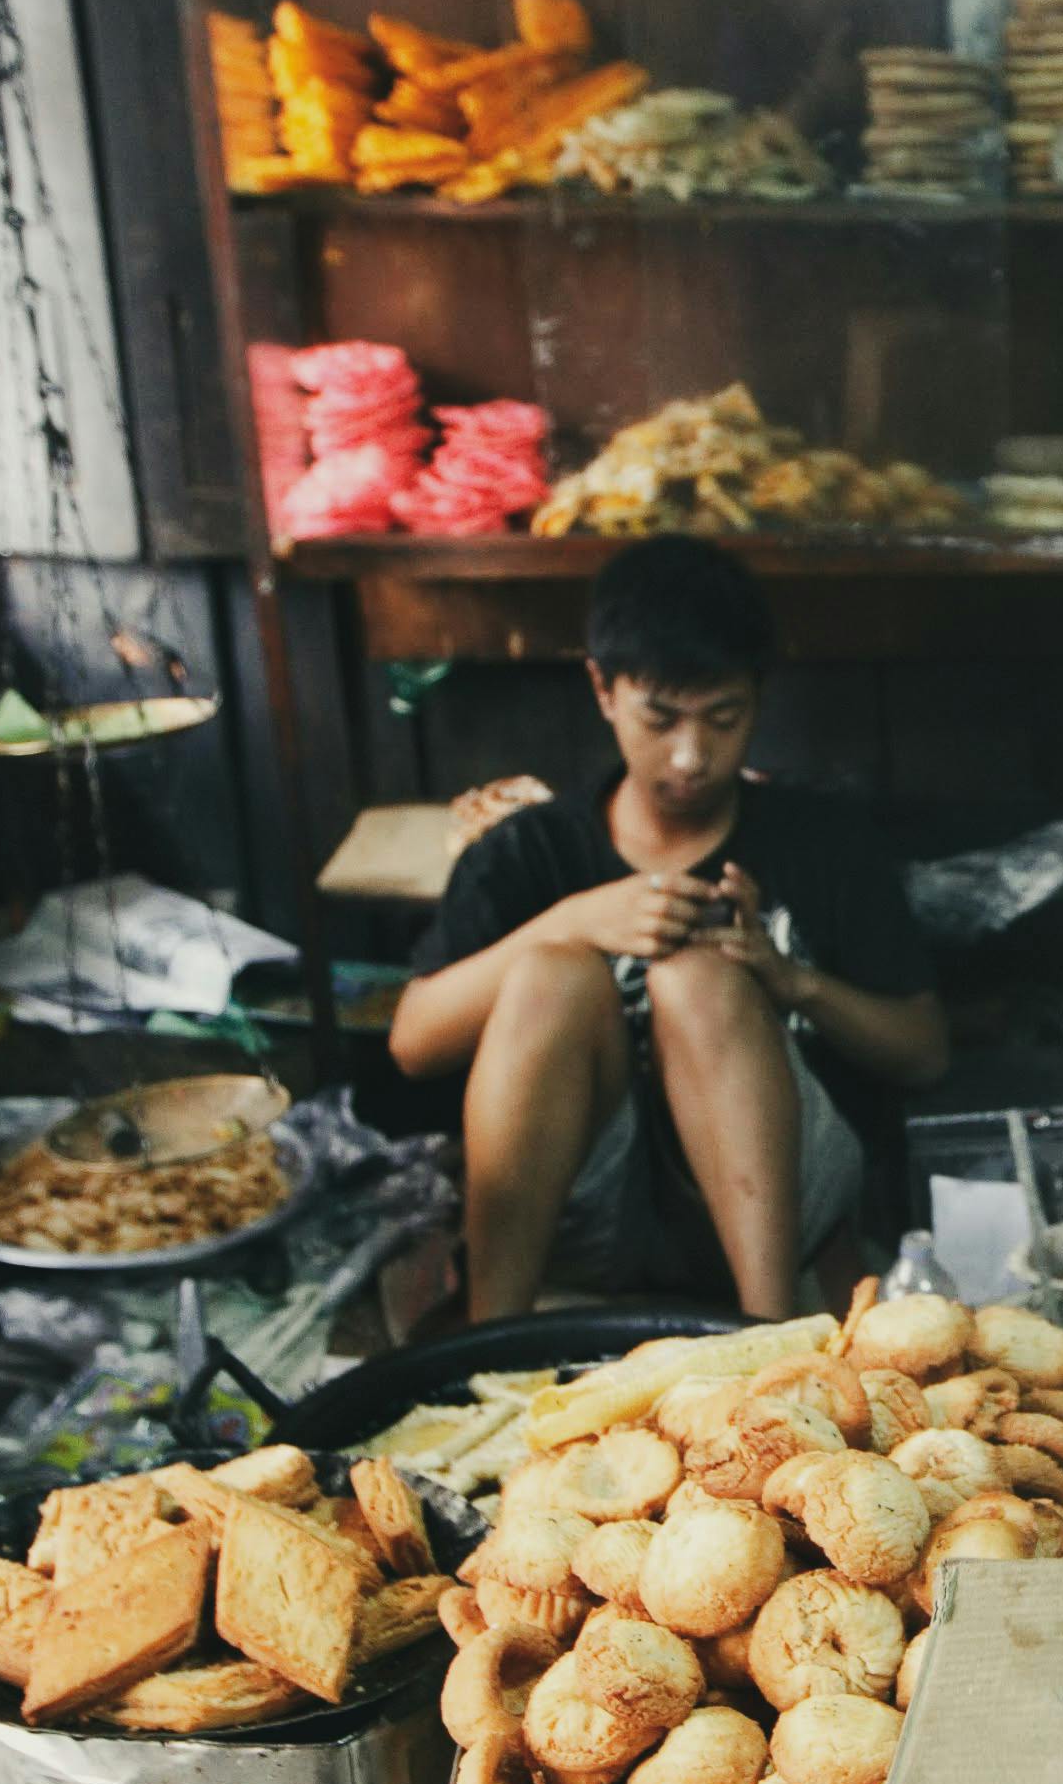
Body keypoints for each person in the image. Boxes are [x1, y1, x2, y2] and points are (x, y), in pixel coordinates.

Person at [391, 540, 947, 1318]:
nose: (690, 757)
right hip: (582, 1209)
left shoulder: (819, 841)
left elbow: (923, 1052)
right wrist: (576, 920)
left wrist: (791, 983)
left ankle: (767, 1332)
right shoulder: (530, 849)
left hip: (780, 1208)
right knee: (551, 973)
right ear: (603, 689)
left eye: (723, 719)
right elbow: (412, 1042)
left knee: (700, 981)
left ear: (758, 697)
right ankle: (491, 1341)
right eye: (660, 718)